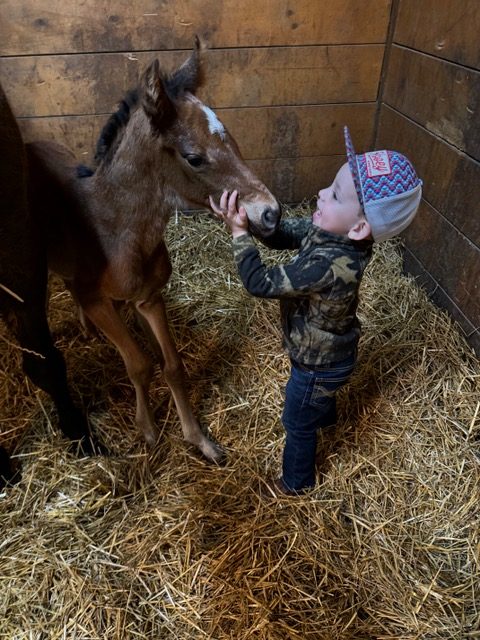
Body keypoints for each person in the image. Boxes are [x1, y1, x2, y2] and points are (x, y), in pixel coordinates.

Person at [209, 126, 422, 497]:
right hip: (330, 353)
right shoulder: (332, 232)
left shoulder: (330, 264)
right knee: (316, 403)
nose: (322, 194)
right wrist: (250, 219)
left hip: (317, 364)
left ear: (359, 228)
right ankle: (325, 415)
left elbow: (259, 283)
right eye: (330, 186)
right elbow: (284, 235)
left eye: (335, 195)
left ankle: (295, 483)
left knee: (296, 421)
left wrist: (239, 236)